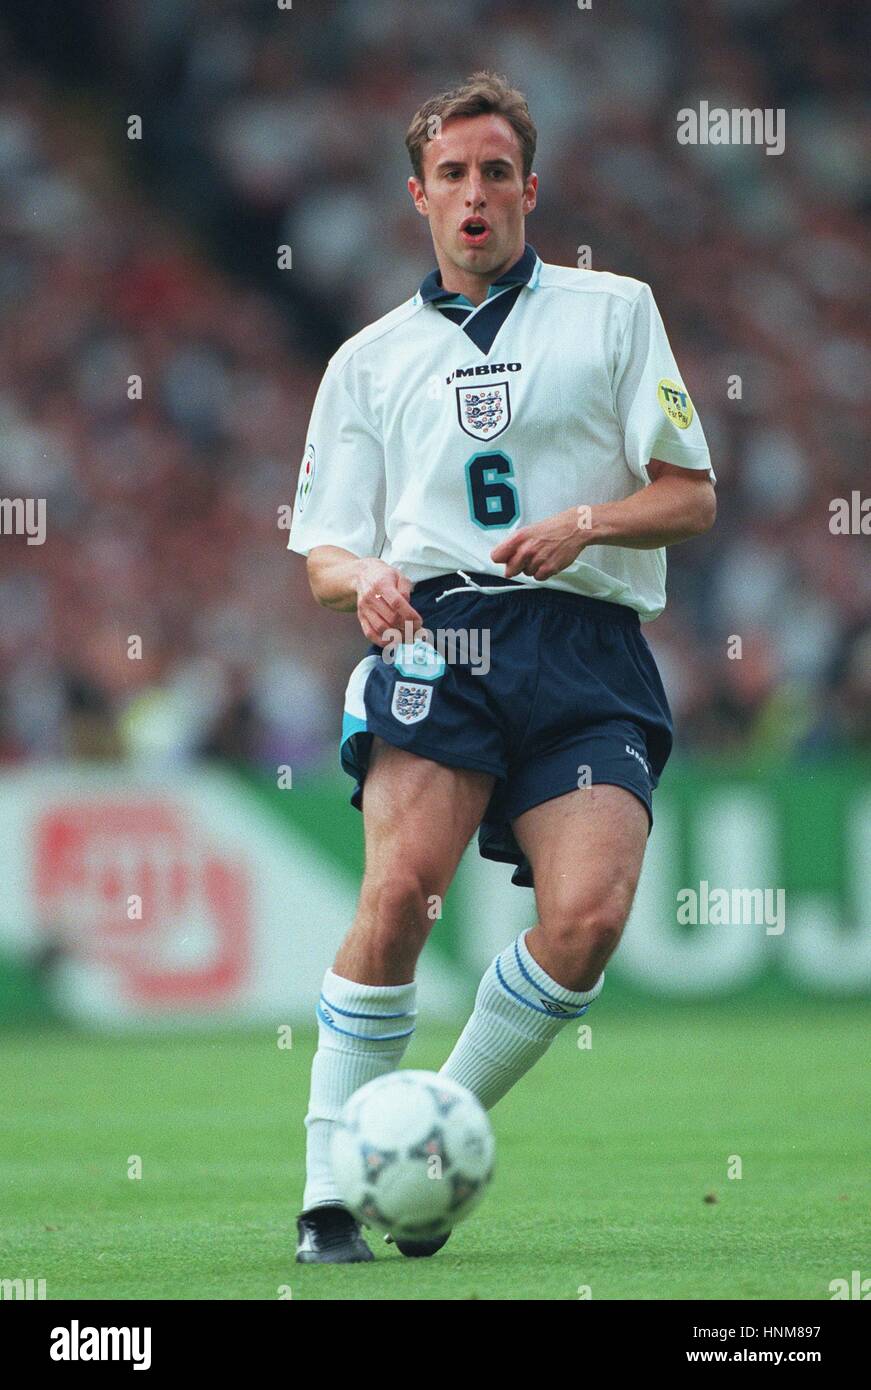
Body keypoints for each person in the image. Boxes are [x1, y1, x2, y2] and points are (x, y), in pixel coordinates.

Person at [288, 71, 716, 1263]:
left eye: (494, 172)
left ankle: (427, 1140)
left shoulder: (614, 309)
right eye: (451, 175)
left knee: (586, 918)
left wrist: (586, 523)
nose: (474, 194)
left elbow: (690, 496)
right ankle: (331, 1193)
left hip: (586, 644)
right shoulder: (368, 360)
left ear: (529, 188)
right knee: (396, 898)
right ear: (415, 196)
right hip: (441, 635)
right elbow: (323, 544)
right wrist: (362, 578)